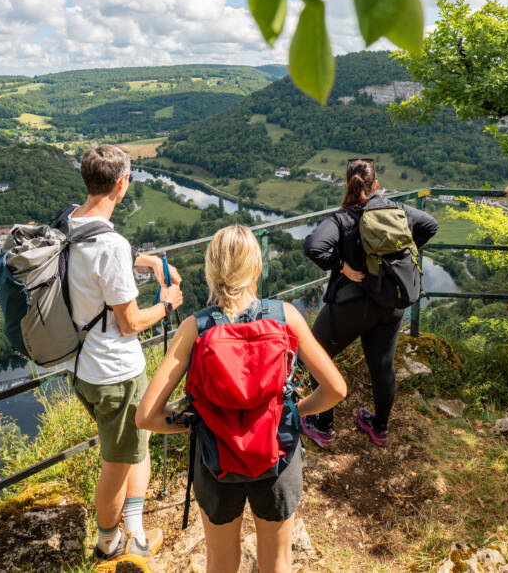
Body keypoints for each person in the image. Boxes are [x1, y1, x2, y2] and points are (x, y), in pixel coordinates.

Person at [136, 225, 346, 573]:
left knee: (220, 562)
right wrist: (293, 412)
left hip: (216, 459)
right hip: (277, 454)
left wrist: (196, 424)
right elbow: (335, 389)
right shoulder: (285, 317)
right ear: (258, 267)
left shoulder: (196, 328)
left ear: (210, 270)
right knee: (277, 561)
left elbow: (146, 416)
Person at [62, 144, 184, 565]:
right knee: (116, 463)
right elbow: (130, 322)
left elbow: (96, 268)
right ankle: (109, 544)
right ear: (122, 183)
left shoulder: (69, 221)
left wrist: (144, 259)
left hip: (82, 365)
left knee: (136, 444)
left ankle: (133, 528)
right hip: (115, 372)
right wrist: (167, 303)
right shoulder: (112, 245)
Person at [300, 158, 438, 447]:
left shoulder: (343, 218)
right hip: (390, 303)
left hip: (351, 305)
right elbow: (430, 224)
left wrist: (341, 265)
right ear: (376, 185)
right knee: (383, 366)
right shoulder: (395, 210)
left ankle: (323, 426)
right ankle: (379, 428)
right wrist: (396, 257)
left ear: (347, 183)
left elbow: (313, 246)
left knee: (318, 357)